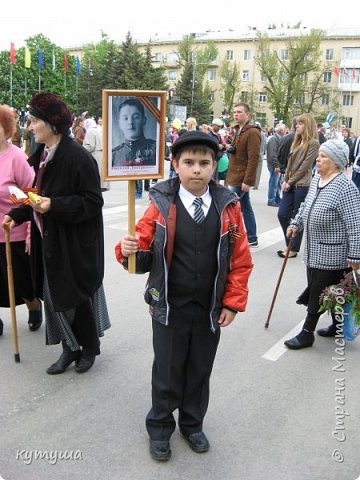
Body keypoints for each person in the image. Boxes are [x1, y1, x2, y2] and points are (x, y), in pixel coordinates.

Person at [115, 131, 253, 461]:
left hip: (209, 308)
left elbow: (240, 259)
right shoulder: (161, 204)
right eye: (188, 163)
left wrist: (233, 302)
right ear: (175, 165)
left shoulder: (228, 208)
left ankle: (192, 424)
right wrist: (127, 249)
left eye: (204, 163)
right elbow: (140, 253)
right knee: (167, 370)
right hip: (169, 307)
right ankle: (160, 427)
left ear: (214, 166)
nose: (196, 170)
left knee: (199, 370)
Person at [3, 93, 110, 374]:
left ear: (52, 123)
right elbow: (33, 197)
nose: (30, 126)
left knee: (76, 298)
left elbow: (92, 202)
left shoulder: (78, 157)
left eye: (35, 120)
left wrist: (55, 205)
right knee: (53, 299)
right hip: (48, 242)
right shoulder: (41, 155)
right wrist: (16, 214)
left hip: (73, 245)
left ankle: (87, 349)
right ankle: (68, 348)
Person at [283, 140, 360, 349]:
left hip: (333, 253)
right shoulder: (318, 178)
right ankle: (337, 325)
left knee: (317, 292)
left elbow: (355, 224)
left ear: (336, 162)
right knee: (331, 291)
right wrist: (295, 224)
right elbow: (305, 206)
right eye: (319, 155)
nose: (318, 159)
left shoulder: (346, 188)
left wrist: (355, 256)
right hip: (313, 251)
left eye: (324, 156)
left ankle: (307, 333)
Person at [0, 104, 42, 336]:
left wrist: (28, 232)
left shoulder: (16, 157)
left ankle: (34, 307)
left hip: (12, 231)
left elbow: (30, 196)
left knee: (23, 282)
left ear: (6, 129)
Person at [277, 113, 320, 258]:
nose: (297, 126)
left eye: (300, 124)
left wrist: (290, 181)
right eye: (297, 123)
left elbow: (305, 166)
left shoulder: (313, 143)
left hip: (302, 184)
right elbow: (290, 164)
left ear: (307, 126)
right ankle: (289, 243)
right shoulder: (297, 141)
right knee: (282, 214)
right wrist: (285, 179)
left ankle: (293, 248)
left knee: (297, 216)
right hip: (290, 183)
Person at [225, 102, 261, 248]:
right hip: (234, 175)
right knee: (245, 207)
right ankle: (252, 237)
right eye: (234, 112)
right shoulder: (239, 130)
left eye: (239, 112)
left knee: (232, 208)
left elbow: (254, 158)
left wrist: (247, 181)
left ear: (248, 114)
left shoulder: (252, 132)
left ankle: (235, 238)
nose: (236, 114)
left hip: (241, 178)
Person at [112, 98, 156, 168]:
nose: (130, 122)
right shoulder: (114, 154)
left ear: (143, 120)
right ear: (120, 123)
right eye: (125, 118)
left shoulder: (155, 148)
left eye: (136, 117)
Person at [83, 116, 110, 192]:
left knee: (95, 181)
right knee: (100, 183)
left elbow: (90, 146)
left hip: (95, 156)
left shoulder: (90, 131)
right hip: (103, 155)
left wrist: (80, 150)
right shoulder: (99, 129)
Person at [266, 123, 286, 206]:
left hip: (276, 165)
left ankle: (277, 199)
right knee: (274, 183)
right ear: (281, 131)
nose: (286, 131)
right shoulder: (274, 139)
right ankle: (271, 200)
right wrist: (277, 166)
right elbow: (272, 154)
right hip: (274, 165)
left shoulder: (278, 139)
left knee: (277, 183)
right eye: (285, 130)